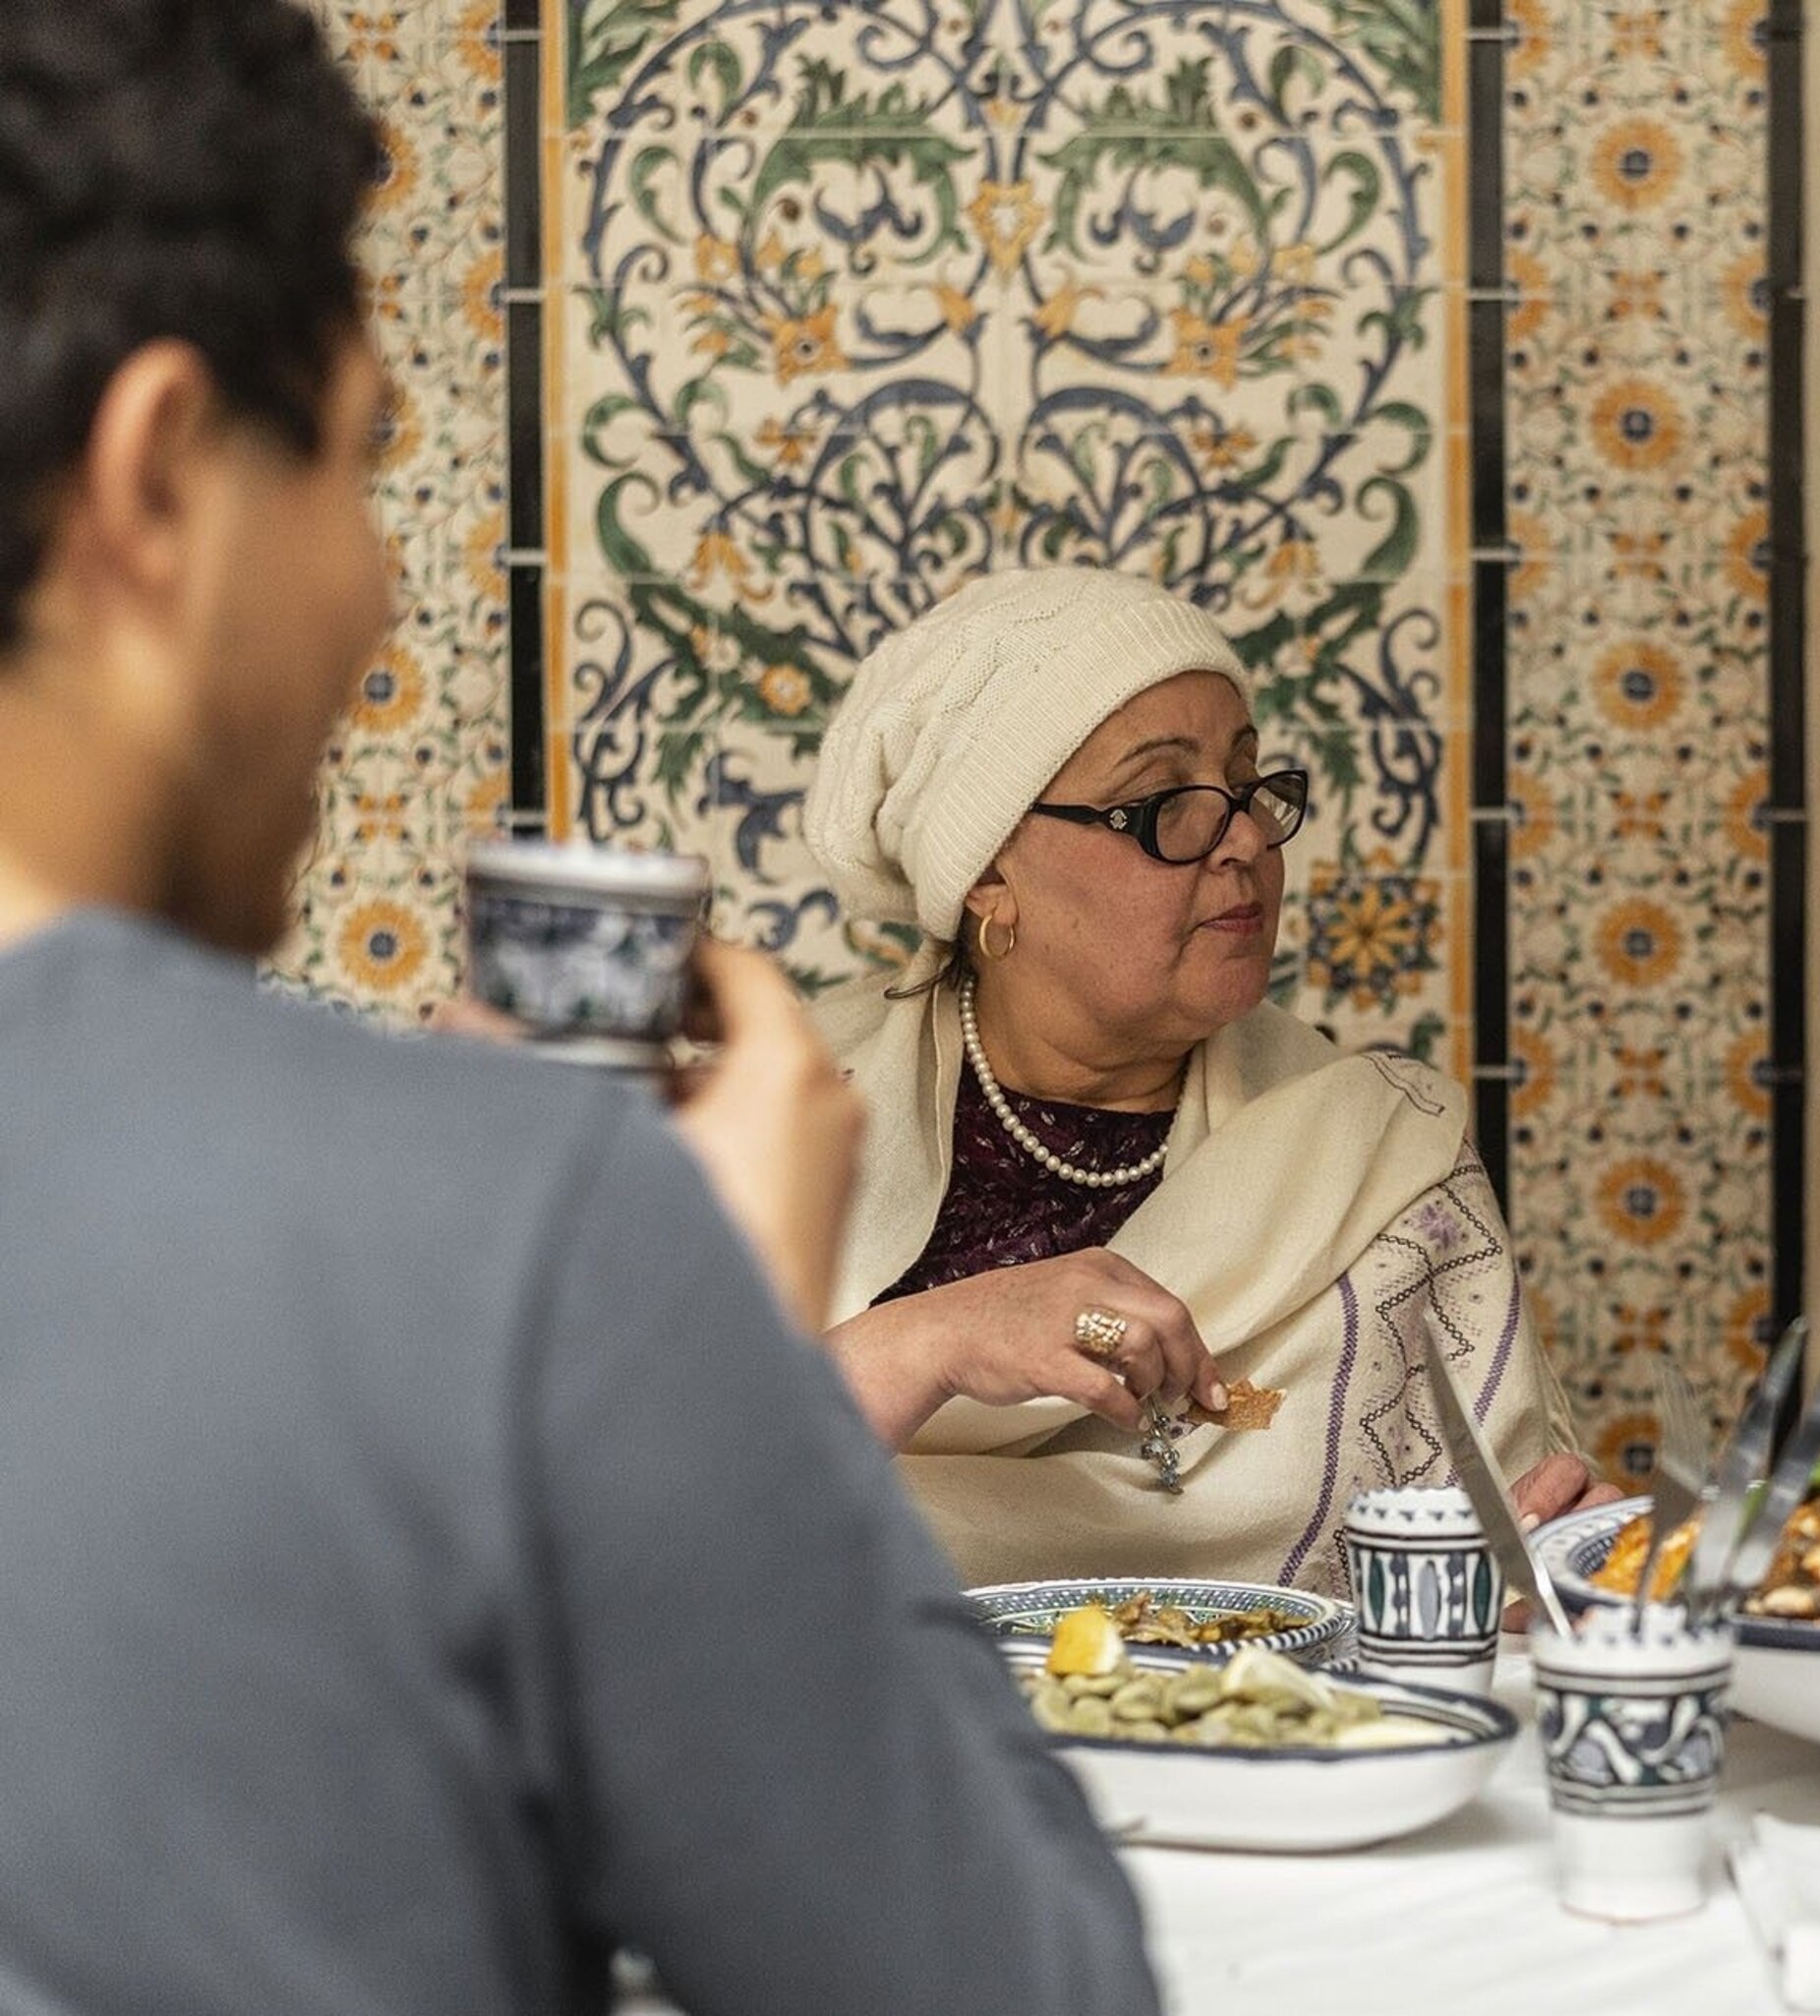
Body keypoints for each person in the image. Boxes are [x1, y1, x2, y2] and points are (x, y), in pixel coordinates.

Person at [0, 5, 1151, 2009]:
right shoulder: (516, 1235)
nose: (370, 593)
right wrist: (725, 1353)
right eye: (358, 460)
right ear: (157, 474)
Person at [800, 565, 1605, 1591]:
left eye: (1249, 786)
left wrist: (1560, 1568)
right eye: (1164, 802)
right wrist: (927, 1341)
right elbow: (613, 1509)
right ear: (990, 875)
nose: (1245, 842)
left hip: (1277, 1742)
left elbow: (1510, 1549)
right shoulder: (776, 1119)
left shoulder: (1384, 1160)